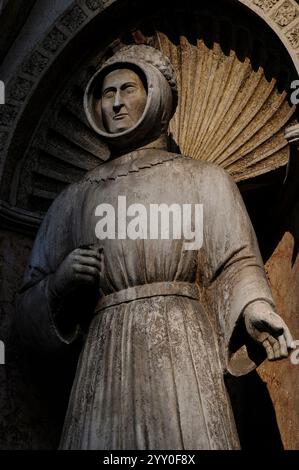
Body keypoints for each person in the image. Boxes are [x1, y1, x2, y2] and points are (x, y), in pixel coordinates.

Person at [17, 45, 294, 450]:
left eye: (127, 89)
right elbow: (23, 315)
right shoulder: (74, 200)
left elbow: (236, 263)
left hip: (184, 351)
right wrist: (59, 283)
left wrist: (255, 308)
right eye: (105, 93)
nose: (114, 103)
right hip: (104, 353)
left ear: (156, 93)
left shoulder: (205, 180)